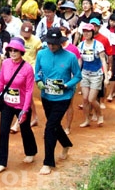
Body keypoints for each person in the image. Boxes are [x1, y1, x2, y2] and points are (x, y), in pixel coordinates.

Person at [34, 28, 81, 175]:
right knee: (54, 125)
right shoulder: (41, 54)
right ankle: (66, 144)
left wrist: (67, 85)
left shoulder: (70, 57)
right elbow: (37, 73)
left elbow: (77, 76)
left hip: (63, 97)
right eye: (49, 43)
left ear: (61, 43)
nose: (51, 46)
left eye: (54, 44)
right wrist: (39, 81)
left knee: (49, 127)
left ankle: (48, 162)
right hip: (47, 96)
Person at [0, 38, 37, 173]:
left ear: (21, 52)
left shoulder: (28, 68)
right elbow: (1, 82)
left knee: (25, 129)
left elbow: (29, 90)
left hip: (21, 105)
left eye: (15, 50)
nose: (12, 52)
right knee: (3, 131)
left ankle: (31, 151)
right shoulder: (5, 63)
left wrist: (25, 109)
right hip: (7, 103)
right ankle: (1, 162)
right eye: (10, 50)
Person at [77, 24, 109, 128]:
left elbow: (103, 60)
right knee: (85, 99)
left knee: (91, 99)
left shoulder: (98, 45)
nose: (86, 33)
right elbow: (80, 60)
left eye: (88, 31)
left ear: (92, 33)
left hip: (96, 75)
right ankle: (87, 120)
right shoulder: (81, 45)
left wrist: (106, 76)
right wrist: (77, 73)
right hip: (85, 74)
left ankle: (100, 114)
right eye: (84, 31)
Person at [99, 13, 115, 103]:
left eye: (114, 21)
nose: (112, 23)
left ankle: (110, 93)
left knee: (112, 74)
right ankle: (110, 92)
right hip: (105, 52)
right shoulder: (104, 28)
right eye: (111, 21)